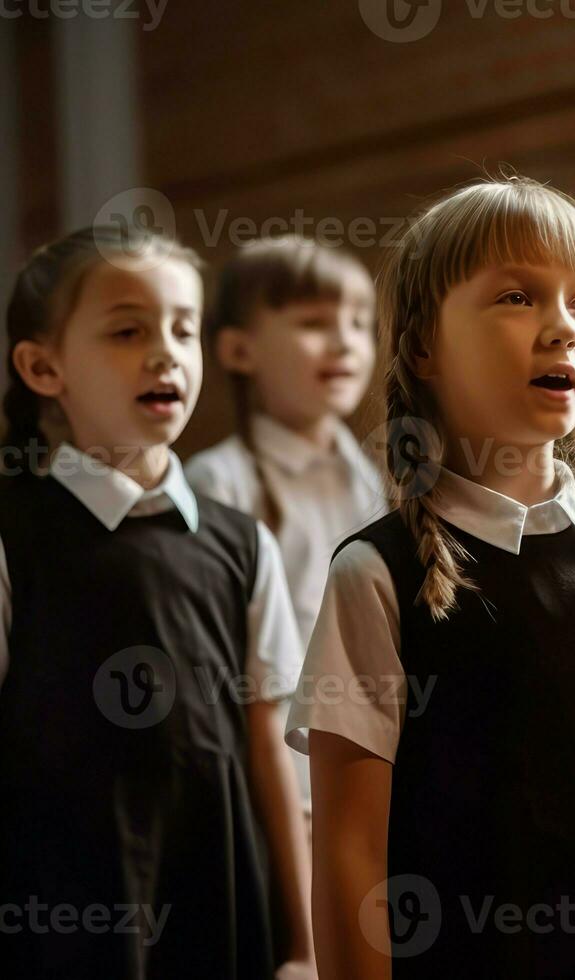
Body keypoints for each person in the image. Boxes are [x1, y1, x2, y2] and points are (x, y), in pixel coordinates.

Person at [287, 175, 575, 979]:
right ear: (423, 346)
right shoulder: (377, 575)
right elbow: (351, 850)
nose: (562, 326)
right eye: (518, 298)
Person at [0, 226, 314, 978]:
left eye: (182, 329)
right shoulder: (15, 533)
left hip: (219, 902)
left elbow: (268, 746)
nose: (165, 352)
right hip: (58, 915)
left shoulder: (243, 544)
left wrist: (302, 945)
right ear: (44, 367)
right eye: (127, 330)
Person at [186, 237, 384, 815]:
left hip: (381, 786)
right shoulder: (217, 486)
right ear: (239, 350)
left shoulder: (382, 485)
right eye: (313, 322)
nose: (345, 341)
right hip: (281, 792)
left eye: (358, 322)